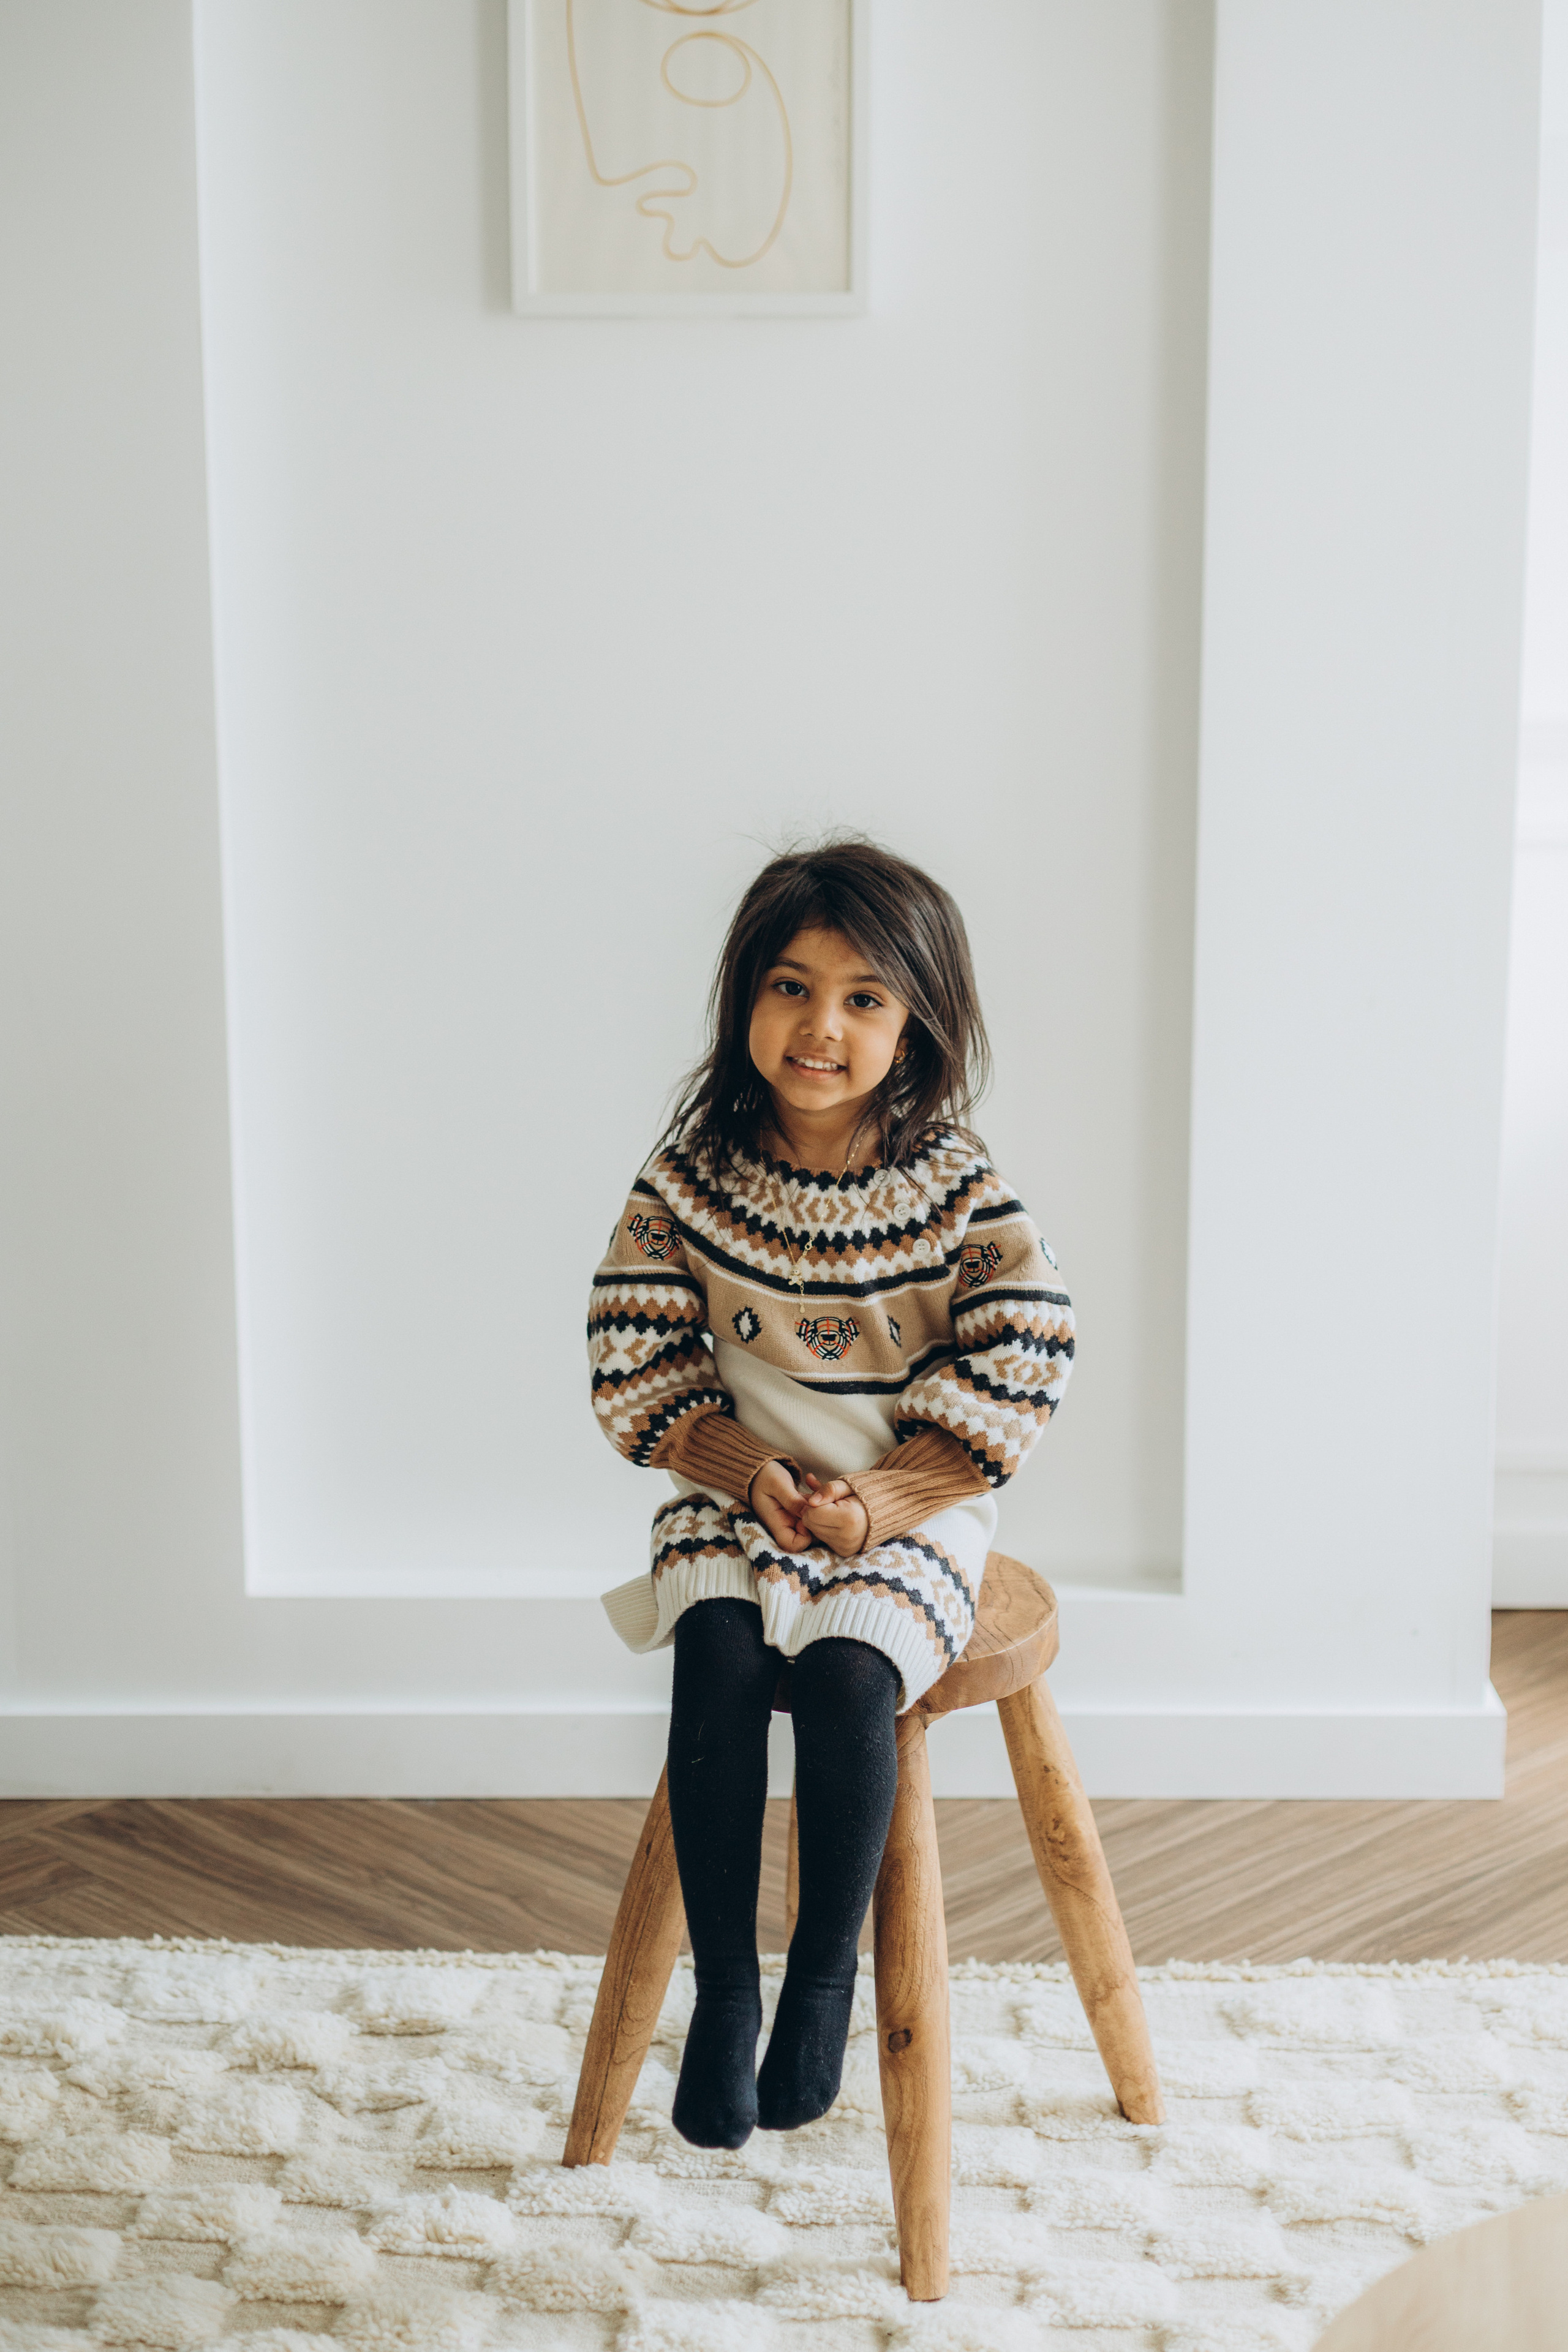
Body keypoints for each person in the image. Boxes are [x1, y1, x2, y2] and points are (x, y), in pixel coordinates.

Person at [588, 838, 1074, 2149]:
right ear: (742, 996)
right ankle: (726, 1993)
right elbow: (632, 1353)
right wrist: (746, 1475)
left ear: (917, 1021)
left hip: (907, 1503)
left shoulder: (956, 1190)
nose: (819, 1027)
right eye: (789, 987)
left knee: (856, 1677)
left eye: (863, 998)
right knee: (718, 1656)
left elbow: (1025, 1357)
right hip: (736, 1489)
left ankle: (817, 1983)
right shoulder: (690, 1179)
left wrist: (882, 1503)